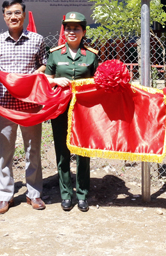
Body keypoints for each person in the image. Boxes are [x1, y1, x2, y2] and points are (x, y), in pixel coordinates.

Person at [0, 0, 49, 215]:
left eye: (17, 13)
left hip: (30, 106)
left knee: (33, 150)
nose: (13, 16)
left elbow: (44, 64)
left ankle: (34, 193)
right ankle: (5, 196)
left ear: (23, 15)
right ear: (3, 16)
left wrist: (32, 76)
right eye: (8, 13)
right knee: (4, 152)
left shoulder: (37, 40)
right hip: (5, 106)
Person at [45, 12, 99, 212]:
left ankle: (83, 194)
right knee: (62, 152)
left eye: (76, 28)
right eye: (68, 28)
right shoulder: (55, 54)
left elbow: (99, 82)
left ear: (83, 32)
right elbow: (45, 79)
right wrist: (54, 80)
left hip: (84, 111)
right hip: (61, 109)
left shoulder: (91, 55)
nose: (72, 32)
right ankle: (66, 194)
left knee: (83, 152)